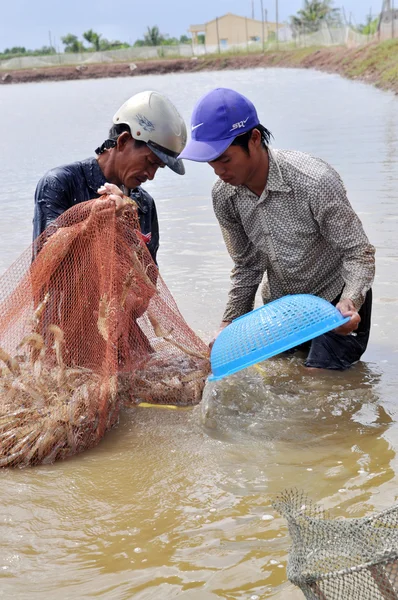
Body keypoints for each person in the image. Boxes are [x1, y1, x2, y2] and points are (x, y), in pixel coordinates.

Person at [178, 87, 375, 370]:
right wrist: (228, 325)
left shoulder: (314, 181)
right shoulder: (224, 196)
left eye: (224, 159)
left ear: (254, 139)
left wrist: (350, 302)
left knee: (317, 383)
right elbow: (247, 266)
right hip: (284, 306)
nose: (218, 170)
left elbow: (359, 252)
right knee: (274, 376)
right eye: (210, 161)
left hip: (334, 304)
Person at [33, 90, 187, 263]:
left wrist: (126, 221)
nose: (151, 175)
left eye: (159, 167)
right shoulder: (61, 183)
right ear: (123, 141)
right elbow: (44, 262)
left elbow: (148, 277)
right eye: (150, 162)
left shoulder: (144, 204)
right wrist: (93, 224)